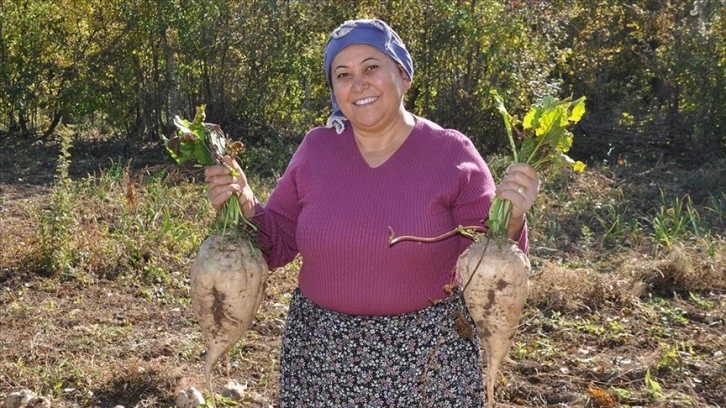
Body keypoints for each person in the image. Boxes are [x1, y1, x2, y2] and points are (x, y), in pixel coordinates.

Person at [205, 18, 540, 408]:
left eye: (371, 67)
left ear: (403, 74)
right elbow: (276, 242)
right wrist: (245, 203)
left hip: (427, 360)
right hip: (321, 356)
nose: (358, 83)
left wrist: (512, 220)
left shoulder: (451, 154)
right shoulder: (317, 149)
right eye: (343, 74)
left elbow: (489, 262)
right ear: (334, 91)